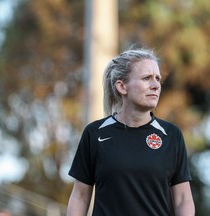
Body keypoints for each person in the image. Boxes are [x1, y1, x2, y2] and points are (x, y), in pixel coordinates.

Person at [67, 48, 195, 216]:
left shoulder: (171, 135)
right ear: (122, 87)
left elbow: (183, 199)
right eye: (146, 78)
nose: (156, 85)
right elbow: (80, 196)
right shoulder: (94, 133)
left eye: (158, 79)